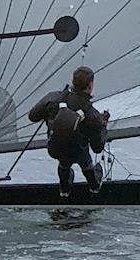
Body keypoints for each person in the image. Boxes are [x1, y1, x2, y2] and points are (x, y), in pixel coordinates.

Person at [29, 66, 110, 197]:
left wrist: (50, 112)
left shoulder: (54, 97)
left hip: (55, 150)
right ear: (90, 86)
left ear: (73, 82)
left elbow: (32, 116)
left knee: (64, 161)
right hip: (79, 152)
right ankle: (94, 186)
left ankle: (64, 189)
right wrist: (103, 126)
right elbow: (97, 148)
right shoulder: (93, 115)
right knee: (84, 160)